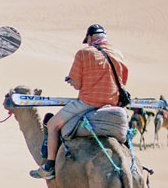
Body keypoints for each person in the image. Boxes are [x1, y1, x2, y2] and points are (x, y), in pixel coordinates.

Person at [30, 24, 128, 179]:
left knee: (53, 124)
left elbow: (78, 84)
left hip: (88, 102)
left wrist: (72, 81)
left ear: (90, 38)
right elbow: (122, 82)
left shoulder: (84, 53)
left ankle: (49, 166)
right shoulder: (118, 54)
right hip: (113, 104)